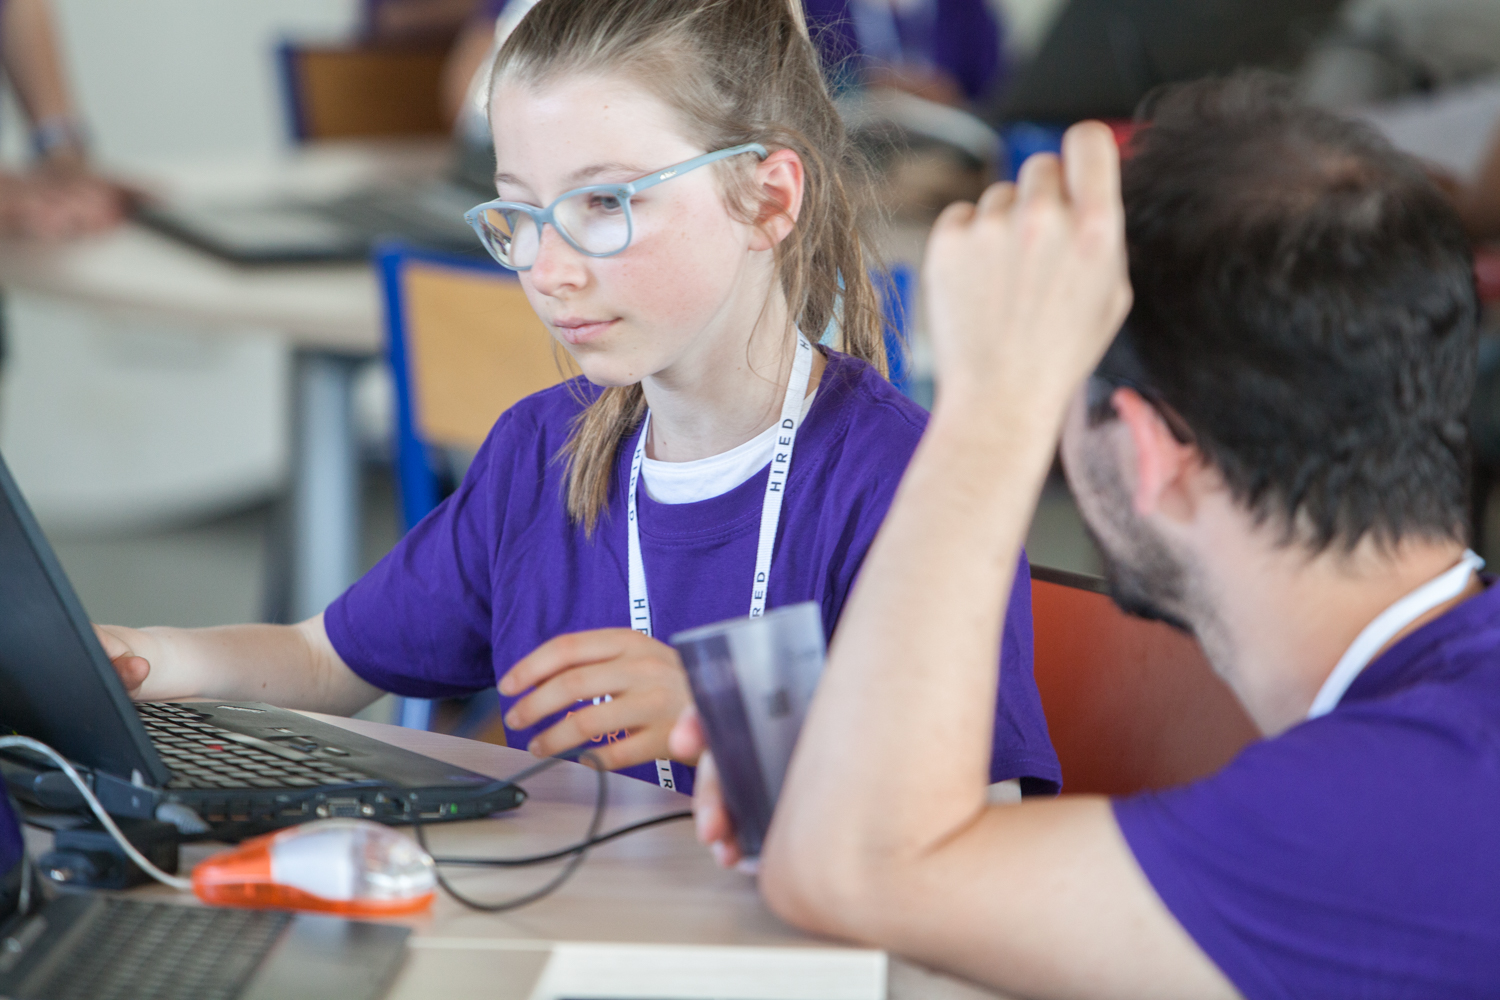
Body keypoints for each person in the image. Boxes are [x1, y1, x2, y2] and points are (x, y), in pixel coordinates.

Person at [98, 0, 1059, 800]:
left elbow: (978, 815)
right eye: (519, 213)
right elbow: (321, 661)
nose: (546, 269)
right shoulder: (539, 453)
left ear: (768, 199)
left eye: (606, 203)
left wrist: (729, 718)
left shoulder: (907, 483)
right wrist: (138, 654)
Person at [679, 74, 1500, 996]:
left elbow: (852, 873)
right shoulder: (1428, 753)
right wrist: (842, 763)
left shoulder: (1382, 810)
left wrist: (994, 406)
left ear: (1149, 452)